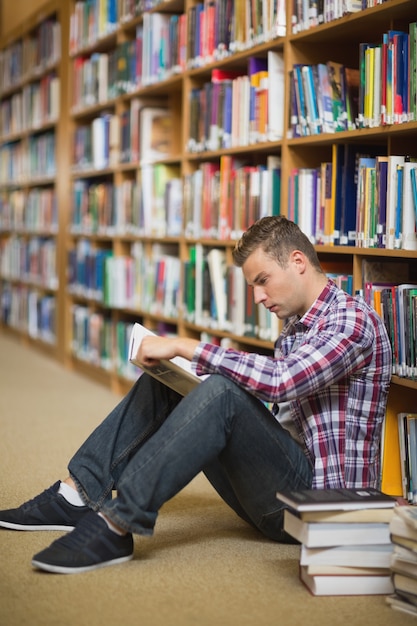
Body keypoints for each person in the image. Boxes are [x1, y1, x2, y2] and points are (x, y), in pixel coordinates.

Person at [0, 216, 392, 574]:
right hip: (281, 490)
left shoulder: (352, 321)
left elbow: (283, 381)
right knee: (170, 379)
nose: (257, 297)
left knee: (219, 389)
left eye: (262, 280)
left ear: (298, 262)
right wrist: (186, 367)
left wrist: (186, 347)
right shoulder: (297, 324)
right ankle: (76, 494)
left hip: (322, 509)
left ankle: (116, 525)